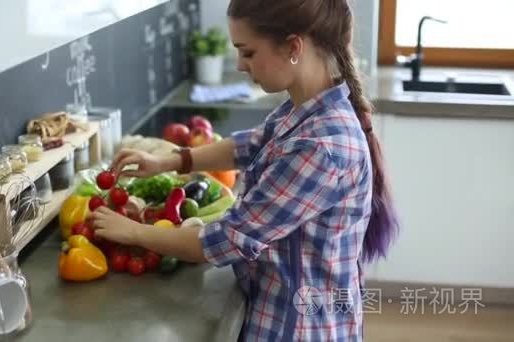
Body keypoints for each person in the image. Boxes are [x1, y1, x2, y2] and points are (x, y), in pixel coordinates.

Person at [90, 0, 400, 340]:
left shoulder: (323, 148)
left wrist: (132, 232)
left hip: (298, 328)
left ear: (293, 47)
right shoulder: (304, 110)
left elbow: (227, 239)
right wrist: (172, 160)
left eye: (248, 53)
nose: (239, 64)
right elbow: (250, 144)